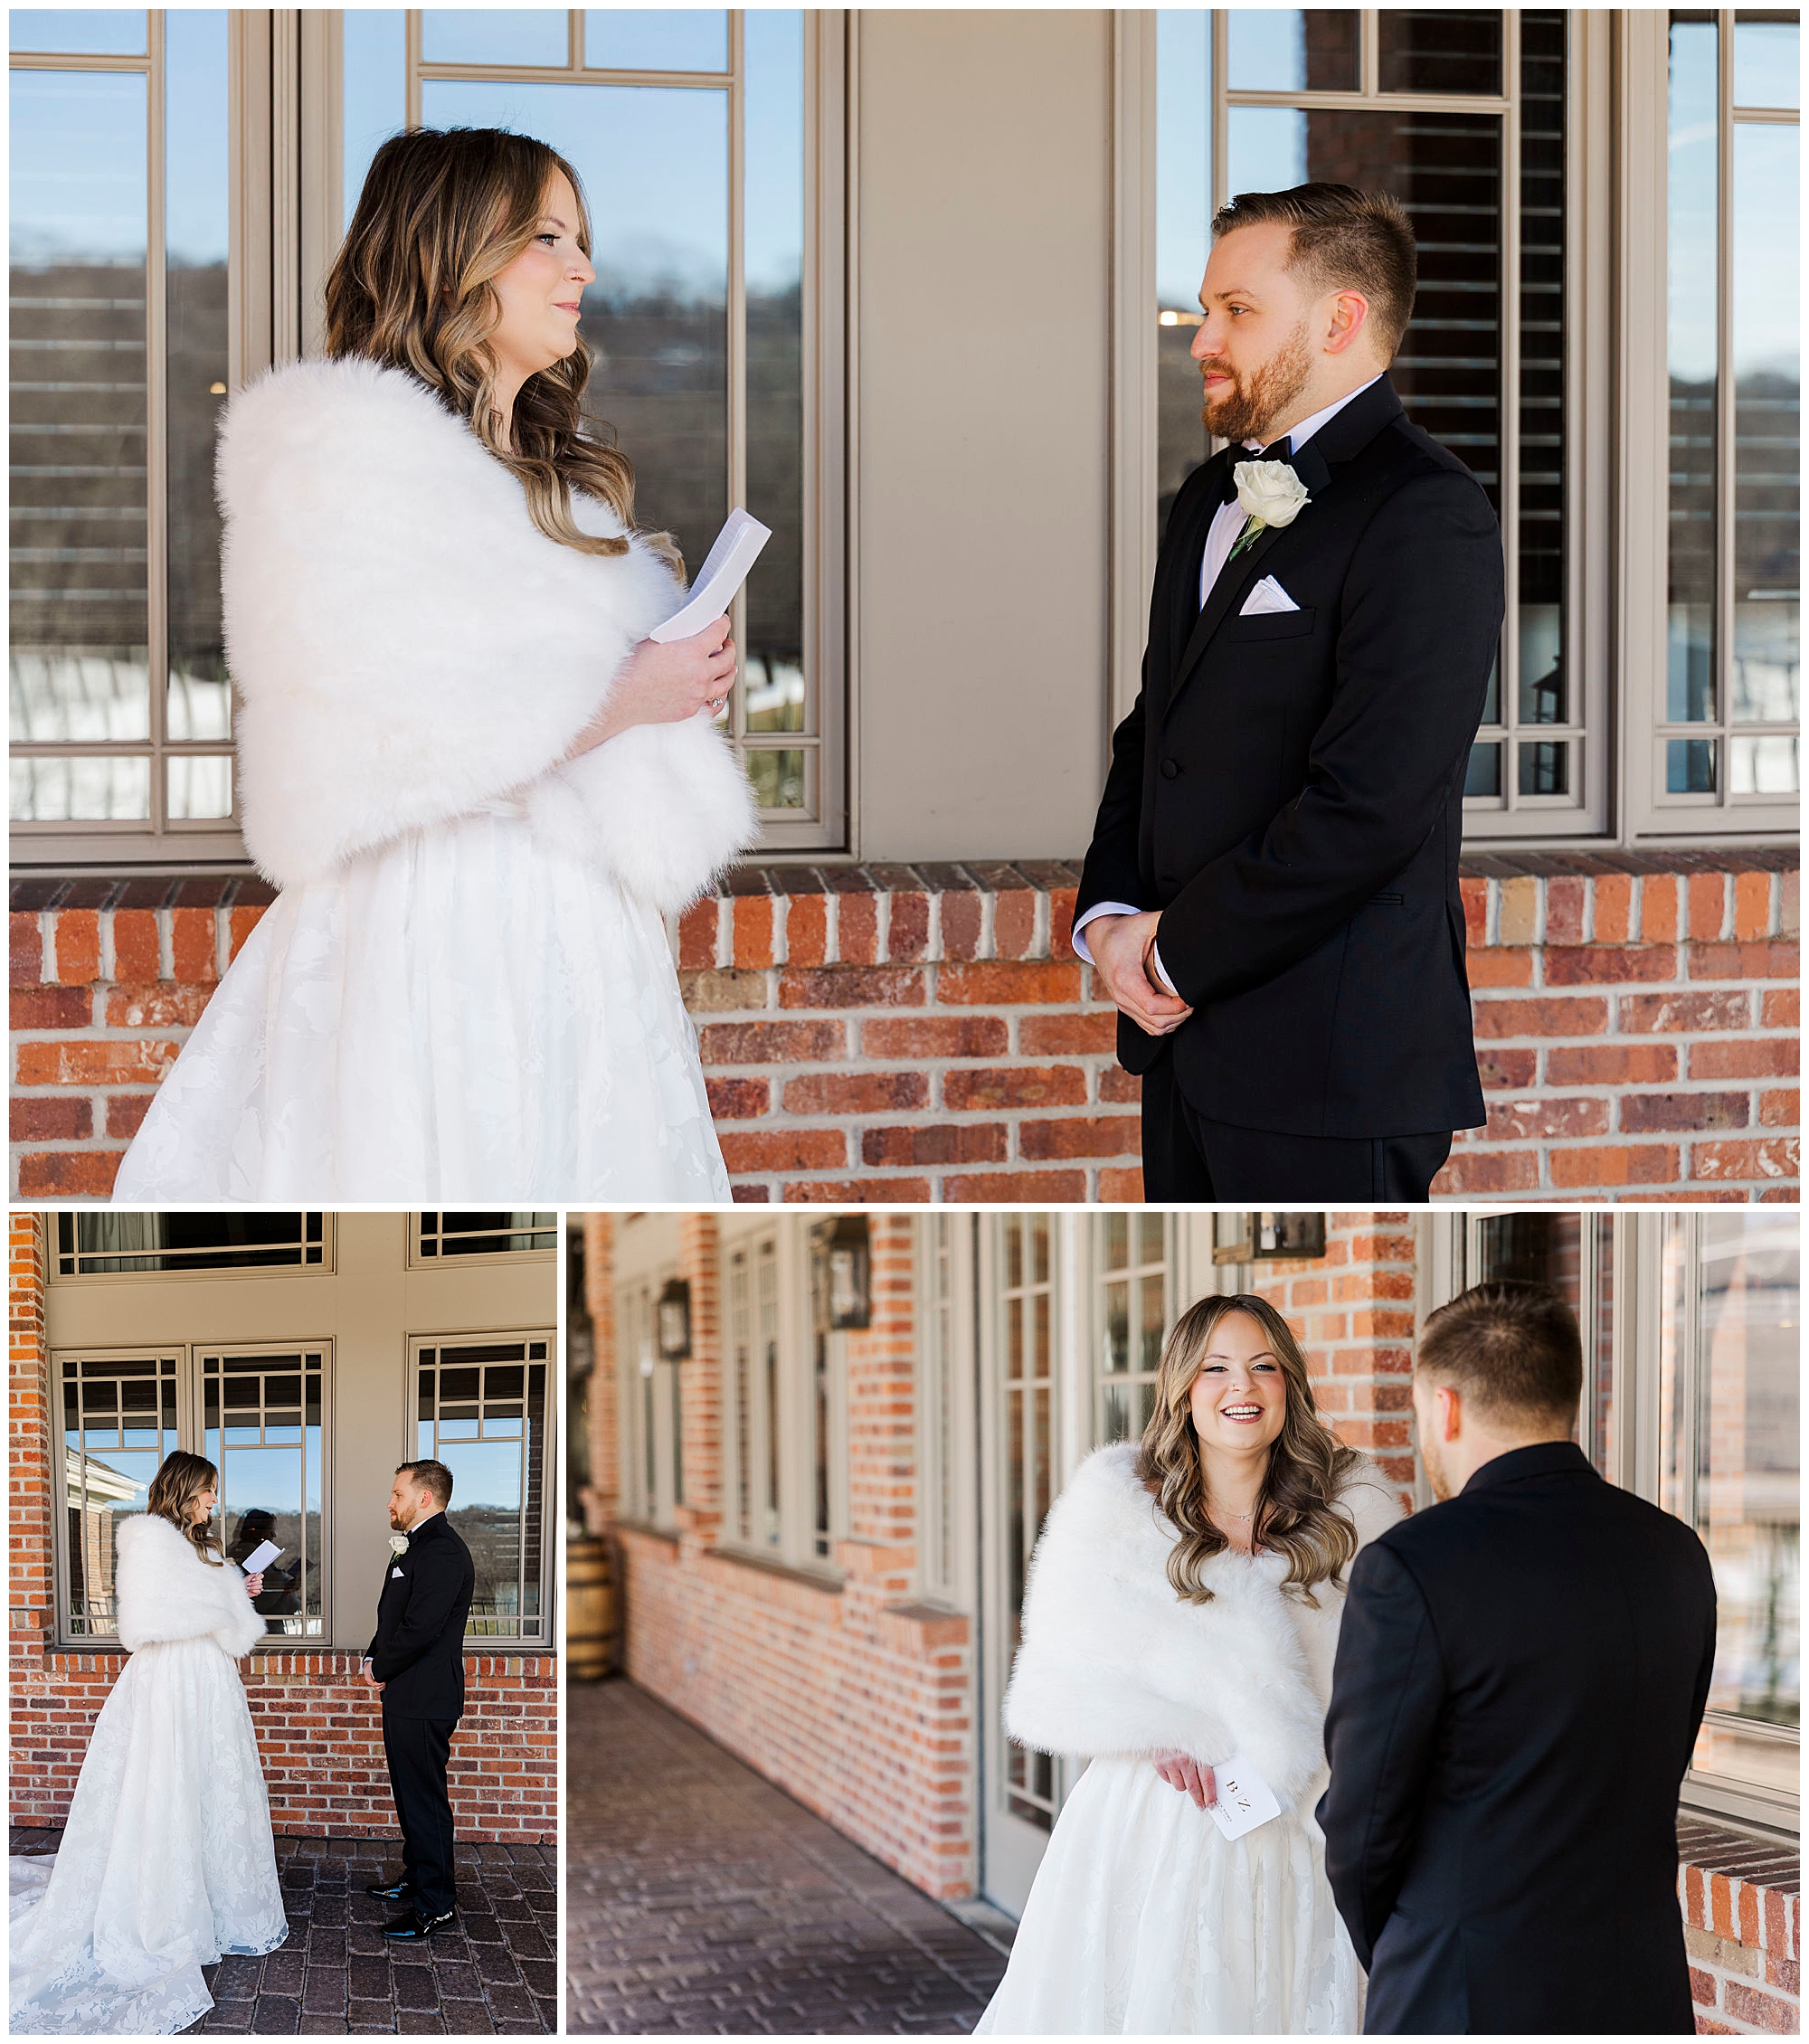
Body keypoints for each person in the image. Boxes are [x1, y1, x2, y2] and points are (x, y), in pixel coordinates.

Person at [111, 126, 755, 1203]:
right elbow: (377, 737)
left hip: (578, 934)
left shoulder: (552, 480)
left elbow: (544, 706)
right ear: (455, 252)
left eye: (581, 240)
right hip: (439, 925)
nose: (582, 269)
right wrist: (623, 697)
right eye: (547, 237)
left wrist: (672, 678)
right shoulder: (339, 458)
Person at [1073, 183, 1503, 1201]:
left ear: (1339, 319)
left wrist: (1171, 950)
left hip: (1333, 1065)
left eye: (1236, 310)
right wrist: (1108, 913)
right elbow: (1154, 731)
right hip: (1180, 1047)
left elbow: (1372, 804)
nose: (1199, 341)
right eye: (1204, 307)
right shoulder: (1204, 496)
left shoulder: (1425, 512)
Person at [974, 1295, 1402, 2034]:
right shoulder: (1117, 1512)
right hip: (1158, 1824)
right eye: (1217, 1369)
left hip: (1306, 1830)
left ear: (1290, 1387)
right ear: (1183, 1388)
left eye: (1264, 1367)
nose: (1243, 1387)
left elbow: (1391, 1681)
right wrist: (1154, 1729)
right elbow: (1063, 1664)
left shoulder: (1353, 1516)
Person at [1317, 1282, 1718, 2034]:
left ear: (1446, 1406)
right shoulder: (1676, 1553)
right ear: (1564, 1400)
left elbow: (1361, 1830)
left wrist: (1416, 1947)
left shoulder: (1412, 1565)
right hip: (1642, 1993)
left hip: (1466, 1995)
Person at [9, 1452, 288, 2034]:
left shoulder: (206, 1547)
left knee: (211, 1784)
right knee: (168, 1781)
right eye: (208, 1490)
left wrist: (241, 1589)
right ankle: (163, 1907)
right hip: (169, 1680)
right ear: (185, 1490)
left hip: (210, 1679)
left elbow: (216, 1611)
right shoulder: (147, 1539)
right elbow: (149, 1616)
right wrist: (224, 1590)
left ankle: (215, 1898)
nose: (215, 1499)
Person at [361, 1461, 477, 1942]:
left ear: (424, 1498)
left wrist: (380, 1668)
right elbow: (394, 1617)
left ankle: (437, 1904)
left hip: (426, 1695)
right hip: (406, 1693)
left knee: (426, 1800)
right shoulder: (417, 1544)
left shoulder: (444, 1551)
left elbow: (422, 1628)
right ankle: (416, 1876)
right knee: (411, 1797)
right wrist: (373, 1653)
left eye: (396, 1493)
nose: (390, 1502)